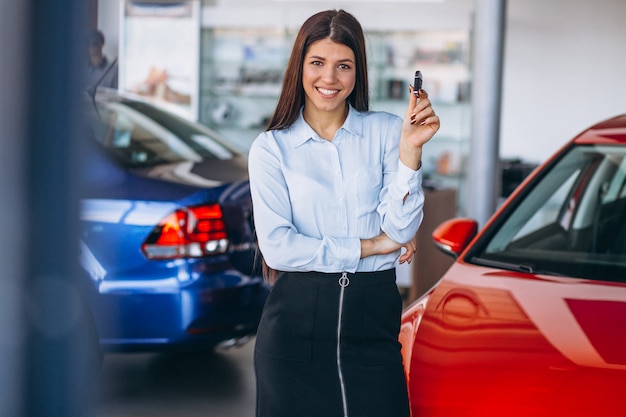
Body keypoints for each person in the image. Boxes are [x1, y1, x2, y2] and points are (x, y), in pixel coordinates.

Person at [248, 9, 439, 417]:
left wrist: (410, 154)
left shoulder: (390, 132)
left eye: (343, 66)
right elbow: (279, 249)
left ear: (358, 71)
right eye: (317, 63)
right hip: (293, 332)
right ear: (299, 66)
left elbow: (402, 227)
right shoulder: (271, 149)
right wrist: (371, 245)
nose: (329, 78)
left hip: (372, 325)